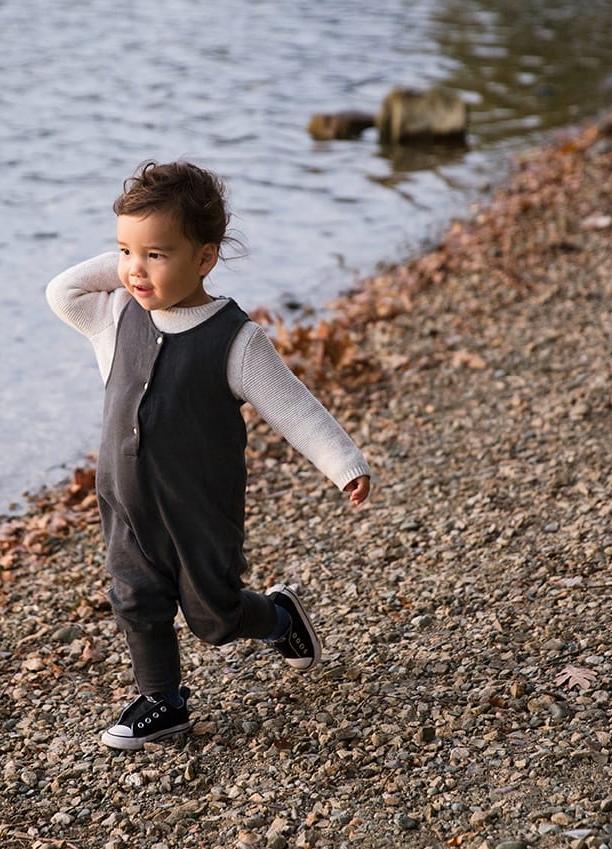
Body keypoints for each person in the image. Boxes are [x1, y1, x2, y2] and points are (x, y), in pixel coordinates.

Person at [46, 160, 371, 750]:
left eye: (157, 255)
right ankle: (162, 701)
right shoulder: (114, 317)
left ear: (206, 258)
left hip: (199, 509)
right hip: (127, 499)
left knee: (213, 616)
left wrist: (344, 463)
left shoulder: (235, 339)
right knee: (134, 597)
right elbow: (61, 289)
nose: (135, 272)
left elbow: (295, 409)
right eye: (124, 252)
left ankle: (277, 619)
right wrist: (135, 255)